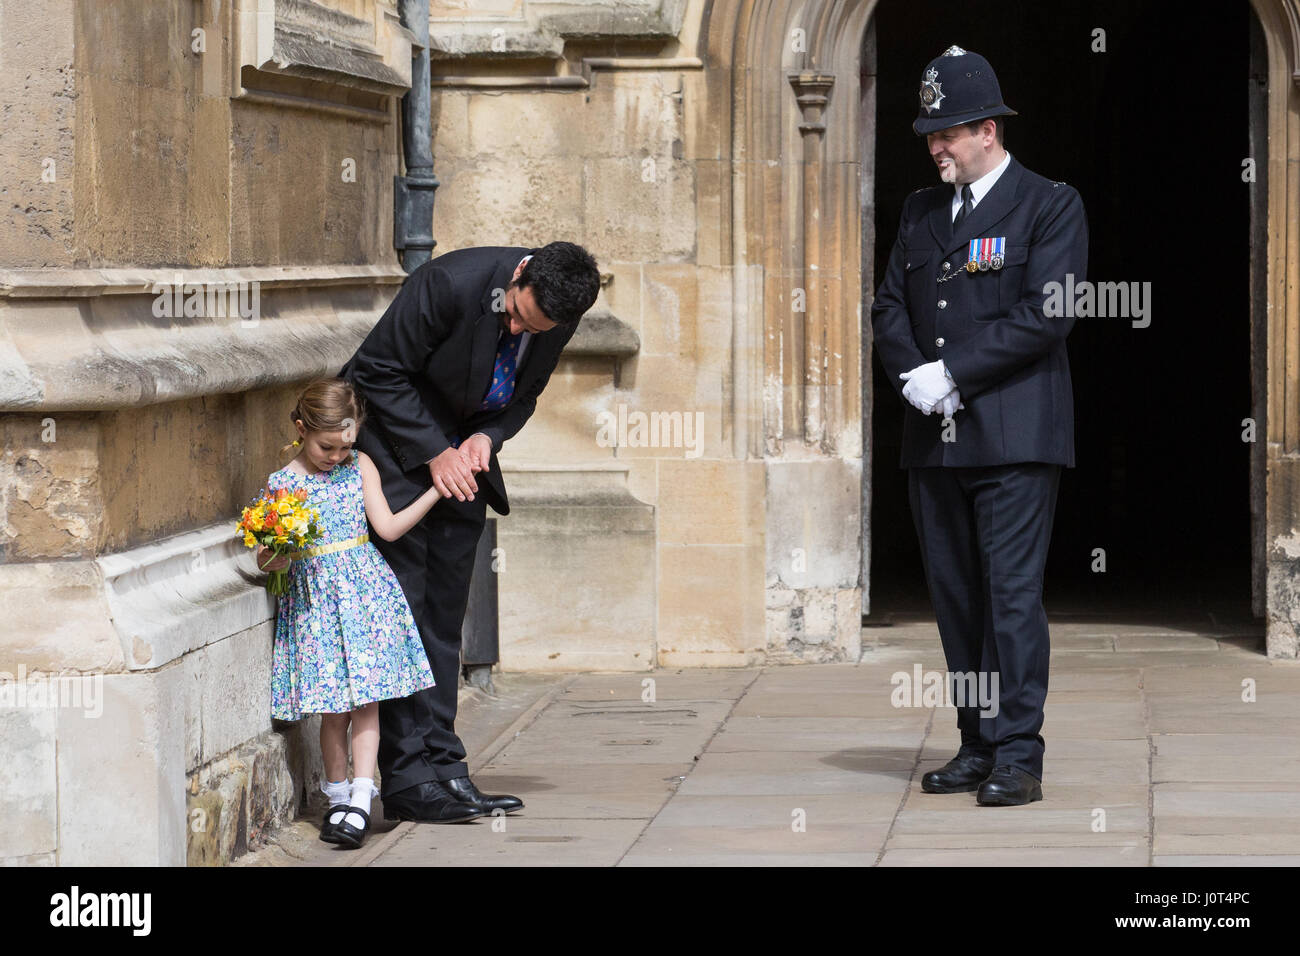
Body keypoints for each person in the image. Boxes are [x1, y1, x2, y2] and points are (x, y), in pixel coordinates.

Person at [871, 46, 1088, 806]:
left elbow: (1047, 313)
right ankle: (977, 739)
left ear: (988, 131)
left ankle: (1019, 754)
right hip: (936, 435)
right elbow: (889, 305)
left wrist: (955, 373)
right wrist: (914, 378)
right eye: (930, 134)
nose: (936, 145)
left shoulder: (1049, 203)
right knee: (958, 599)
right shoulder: (921, 210)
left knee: (1011, 597)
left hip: (1015, 435)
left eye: (949, 132)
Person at [339, 241, 600, 822]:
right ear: (521, 272)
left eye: (528, 326)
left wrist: (490, 437)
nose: (513, 326)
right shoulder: (446, 283)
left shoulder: (557, 312)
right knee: (402, 618)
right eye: (512, 311)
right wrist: (435, 452)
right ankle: (407, 782)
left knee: (443, 619)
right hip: (395, 454)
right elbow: (374, 368)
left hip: (466, 463)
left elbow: (524, 393)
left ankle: (445, 769)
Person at [258, 378, 450, 847]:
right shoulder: (284, 483)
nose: (337, 456)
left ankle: (362, 799)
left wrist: (435, 492)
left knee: (367, 703)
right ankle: (337, 797)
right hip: (316, 606)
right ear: (301, 429)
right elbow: (265, 559)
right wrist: (278, 554)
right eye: (327, 446)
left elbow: (385, 526)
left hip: (366, 599)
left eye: (346, 446)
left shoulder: (360, 466)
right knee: (333, 710)